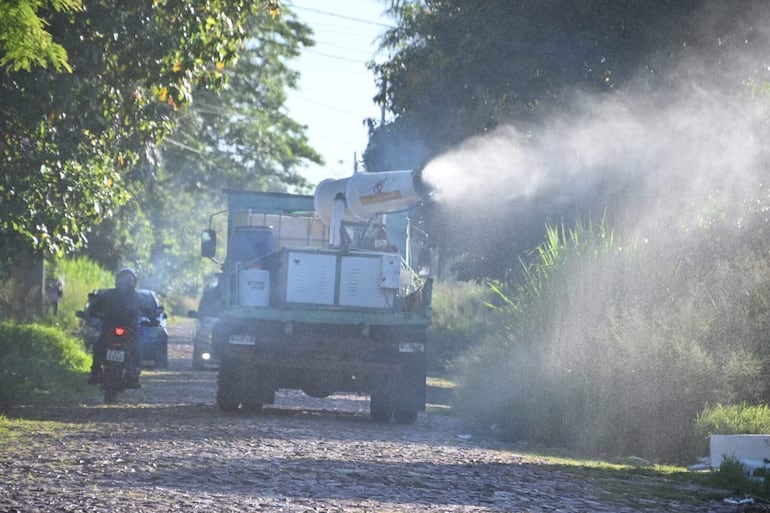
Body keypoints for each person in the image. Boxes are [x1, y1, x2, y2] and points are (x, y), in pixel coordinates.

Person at [87, 268, 154, 387]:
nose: (126, 282)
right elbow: (95, 306)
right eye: (124, 279)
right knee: (99, 346)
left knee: (136, 349)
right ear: (118, 280)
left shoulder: (134, 296)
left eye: (129, 280)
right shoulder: (110, 294)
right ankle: (96, 371)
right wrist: (92, 312)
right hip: (111, 329)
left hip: (128, 330)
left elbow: (148, 311)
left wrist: (153, 318)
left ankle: (133, 373)